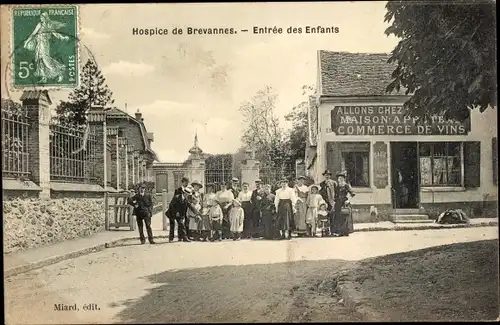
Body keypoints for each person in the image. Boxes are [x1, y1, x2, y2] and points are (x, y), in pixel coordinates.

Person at [331, 171, 356, 237]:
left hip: (345, 202)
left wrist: (348, 200)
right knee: (338, 217)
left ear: (344, 179)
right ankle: (338, 232)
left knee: (345, 217)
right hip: (338, 203)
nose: (340, 179)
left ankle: (345, 231)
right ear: (338, 179)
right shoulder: (337, 186)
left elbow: (352, 194)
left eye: (342, 178)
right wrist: (334, 202)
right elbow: (335, 195)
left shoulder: (346, 185)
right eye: (339, 178)